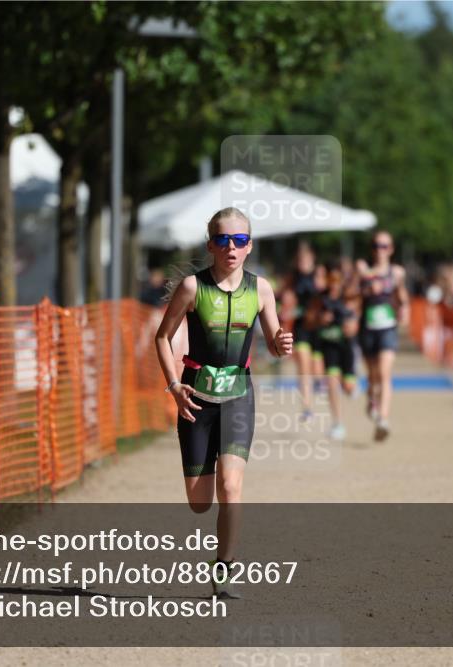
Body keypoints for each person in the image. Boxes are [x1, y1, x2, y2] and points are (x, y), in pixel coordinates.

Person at [154, 207, 293, 599]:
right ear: (210, 245)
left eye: (239, 240)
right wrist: (173, 385)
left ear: (249, 247)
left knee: (231, 487)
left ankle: (224, 569)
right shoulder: (192, 288)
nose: (231, 247)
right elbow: (162, 337)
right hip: (195, 399)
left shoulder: (261, 289)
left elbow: (274, 343)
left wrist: (281, 342)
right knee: (200, 503)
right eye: (223, 240)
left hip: (238, 397)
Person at [353, 230, 409, 441]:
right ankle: (371, 401)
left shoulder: (397, 272)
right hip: (367, 328)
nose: (380, 250)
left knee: (385, 373)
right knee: (373, 376)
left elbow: (402, 295)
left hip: (388, 327)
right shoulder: (363, 270)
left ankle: (383, 420)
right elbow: (352, 293)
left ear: (391, 249)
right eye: (377, 246)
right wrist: (366, 284)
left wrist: (405, 309)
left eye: (384, 246)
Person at [314, 261, 360, 440]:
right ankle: (338, 423)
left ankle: (354, 386)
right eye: (331, 279)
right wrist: (320, 318)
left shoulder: (348, 298)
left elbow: (354, 325)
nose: (334, 283)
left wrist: (350, 323)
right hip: (329, 347)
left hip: (346, 348)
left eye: (337, 279)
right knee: (332, 383)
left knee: (348, 388)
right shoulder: (320, 298)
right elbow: (309, 319)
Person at [279, 242, 321, 421]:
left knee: (317, 371)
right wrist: (286, 307)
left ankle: (318, 383)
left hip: (319, 328)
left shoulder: (319, 274)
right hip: (301, 327)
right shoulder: (293, 277)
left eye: (306, 258)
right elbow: (283, 296)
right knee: (303, 367)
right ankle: (307, 408)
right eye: (300, 259)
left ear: (312, 258)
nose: (303, 262)